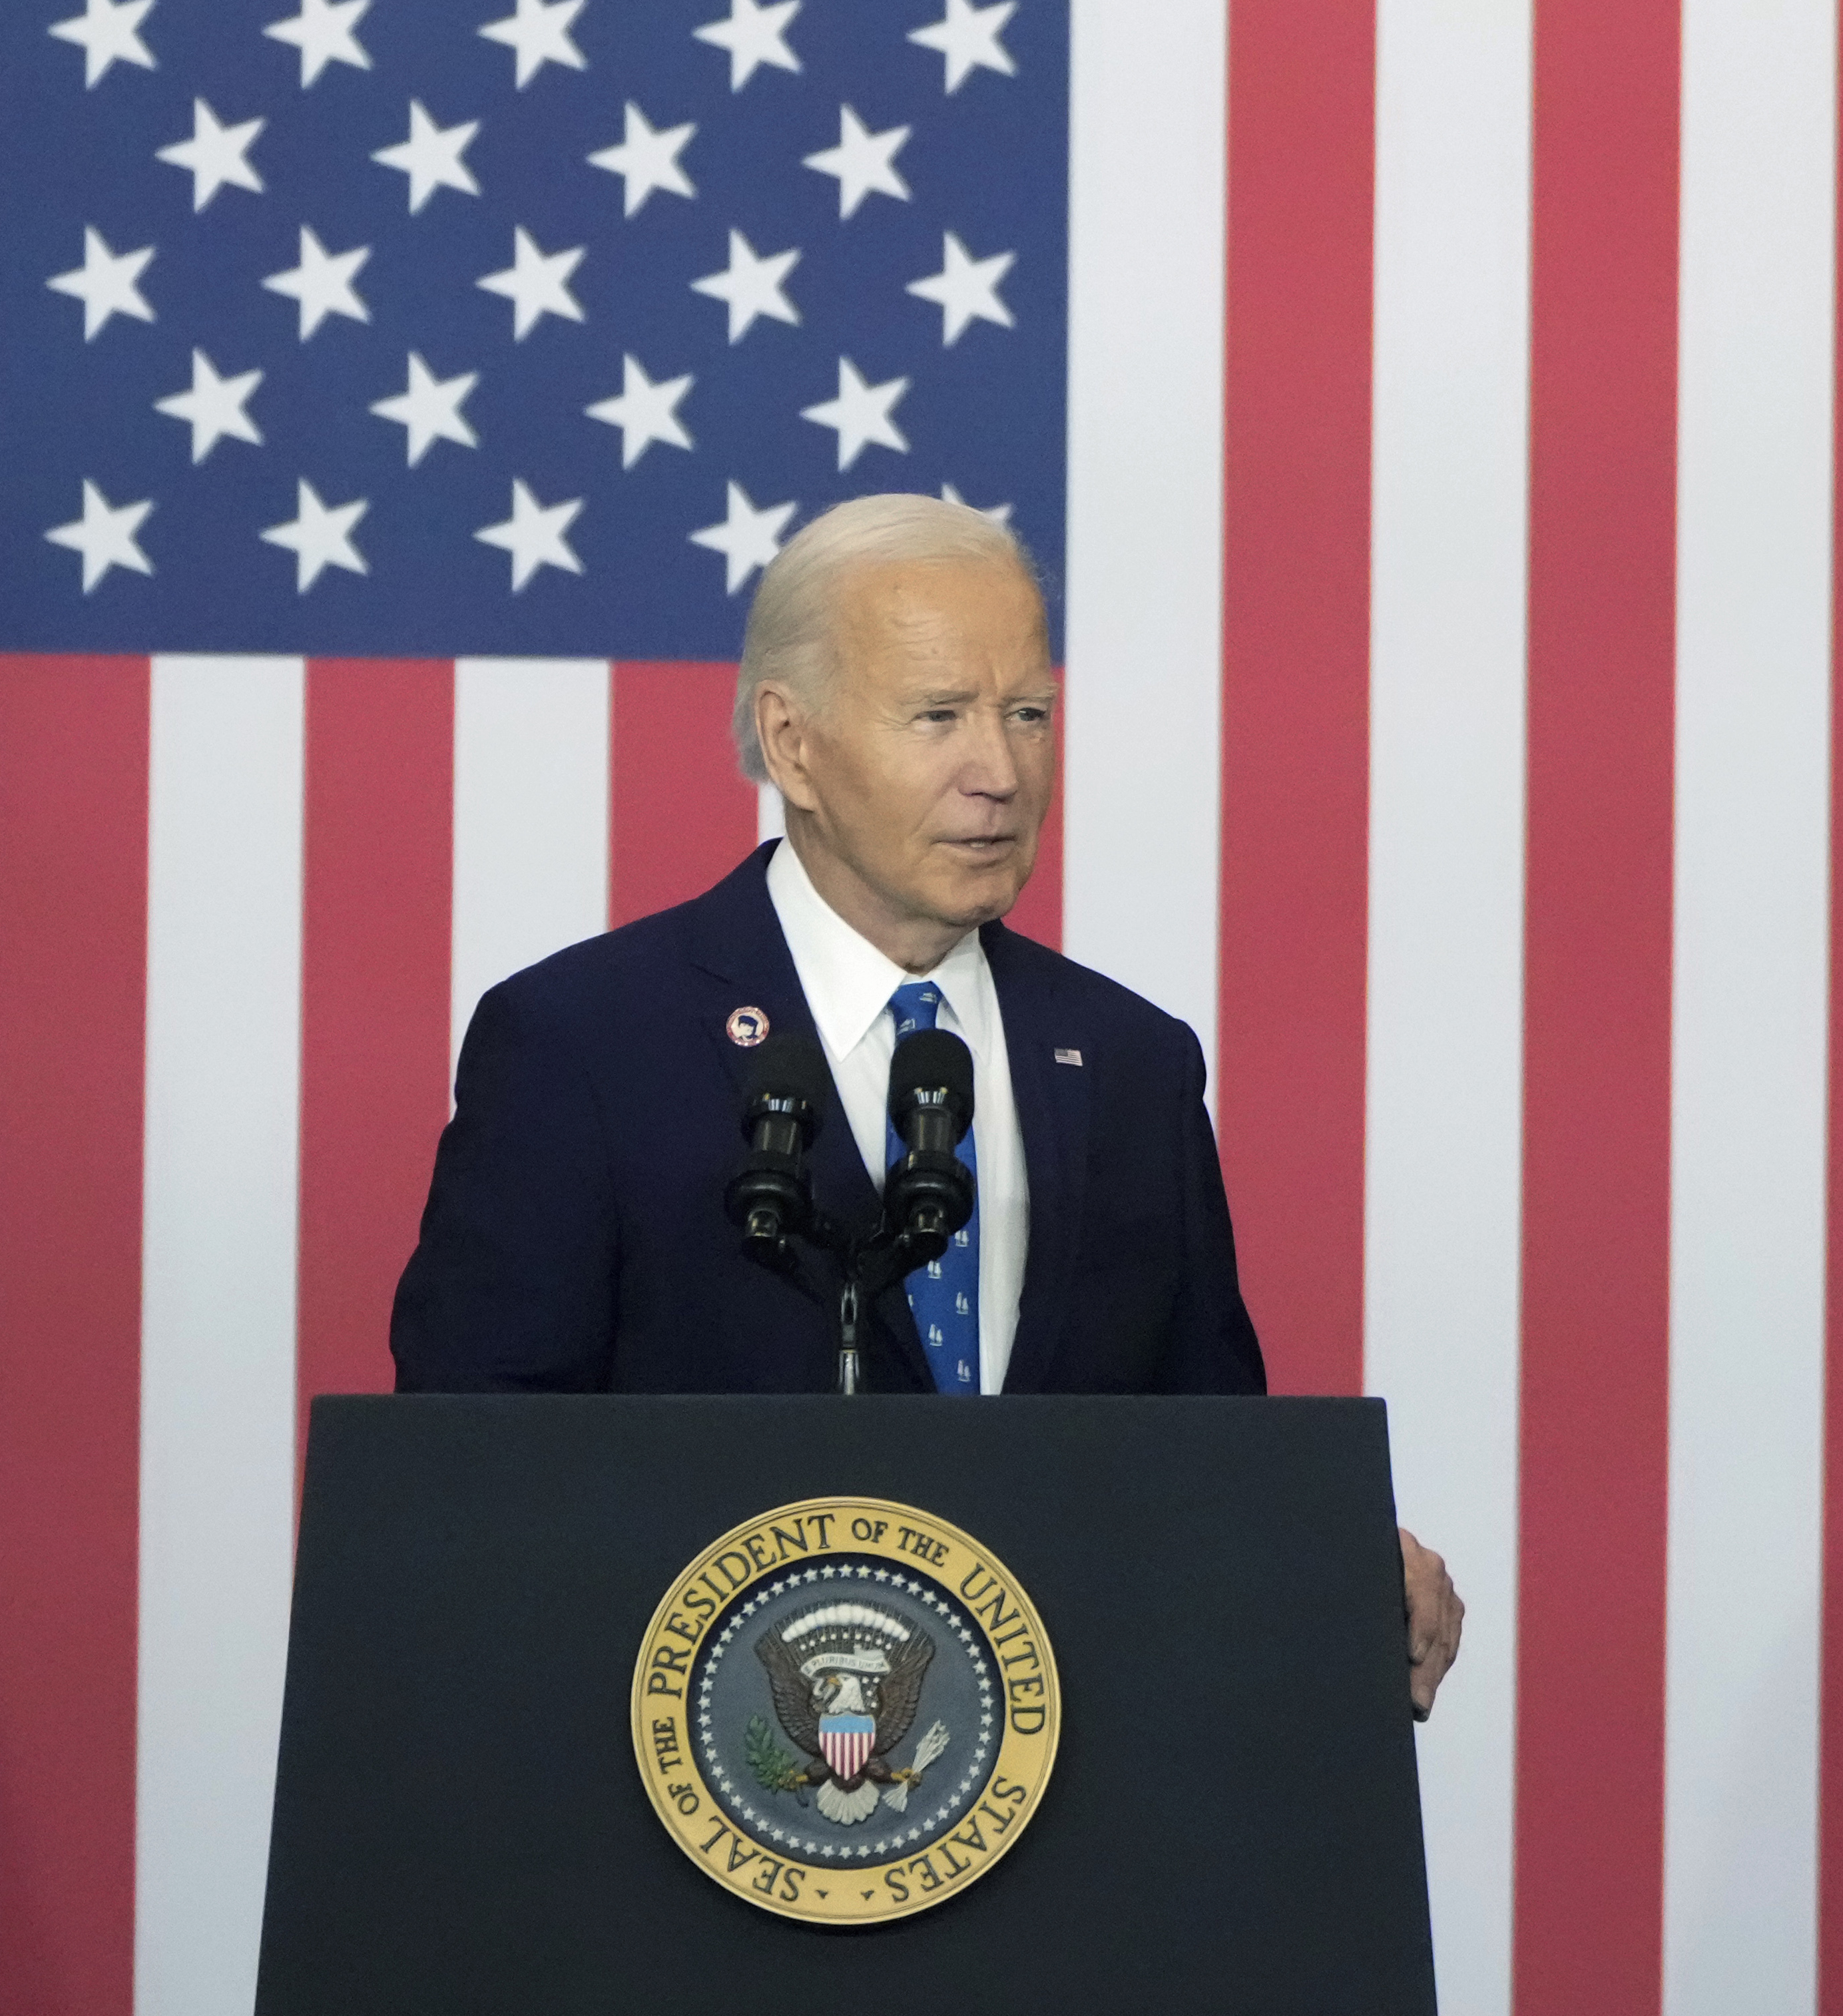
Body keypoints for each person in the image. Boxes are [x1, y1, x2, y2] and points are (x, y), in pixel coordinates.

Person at [390, 493, 1464, 1712]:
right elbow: (470, 1476)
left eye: (1028, 715)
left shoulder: (1127, 1063)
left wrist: (1324, 1562)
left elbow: (1202, 1459)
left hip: (1058, 1802)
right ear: (793, 743)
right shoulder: (586, 1044)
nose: (999, 773)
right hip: (707, 1791)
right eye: (939, 716)